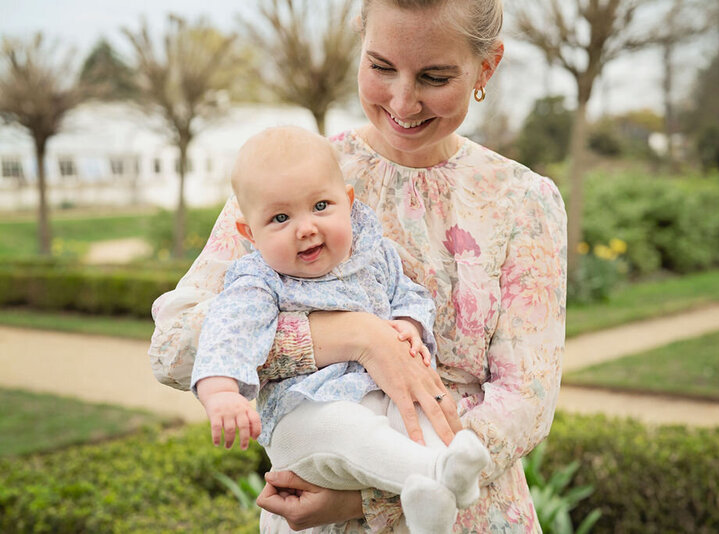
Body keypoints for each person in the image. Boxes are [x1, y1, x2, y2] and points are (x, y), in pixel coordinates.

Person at [149, 0, 567, 531]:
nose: (403, 100)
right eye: (381, 67)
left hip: (472, 512)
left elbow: (525, 402)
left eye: (434, 77)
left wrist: (369, 497)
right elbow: (173, 349)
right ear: (360, 40)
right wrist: (356, 336)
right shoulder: (293, 178)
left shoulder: (524, 201)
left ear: (486, 67)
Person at [192, 125, 490, 534]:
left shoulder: (374, 252)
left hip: (382, 401)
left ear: (347, 203)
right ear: (249, 233)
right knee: (347, 426)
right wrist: (221, 391)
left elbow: (410, 295)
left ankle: (431, 503)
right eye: (280, 217)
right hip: (304, 418)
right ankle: (438, 471)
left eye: (320, 206)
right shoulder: (260, 279)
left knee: (420, 410)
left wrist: (406, 325)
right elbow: (228, 331)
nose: (306, 227)